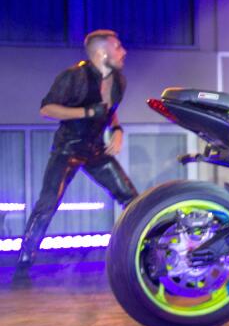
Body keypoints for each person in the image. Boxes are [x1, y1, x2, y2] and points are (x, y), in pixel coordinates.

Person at [15, 30, 138, 277]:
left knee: (132, 199)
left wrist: (117, 129)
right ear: (102, 52)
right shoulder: (74, 76)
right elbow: (47, 109)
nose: (123, 52)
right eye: (118, 47)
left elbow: (109, 109)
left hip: (94, 149)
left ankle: (143, 250)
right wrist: (85, 113)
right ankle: (24, 263)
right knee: (47, 203)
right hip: (67, 148)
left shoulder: (119, 81)